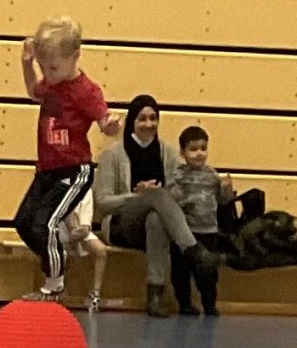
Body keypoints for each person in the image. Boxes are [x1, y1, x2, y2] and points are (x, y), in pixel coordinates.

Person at [12, 17, 122, 297]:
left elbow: (104, 121)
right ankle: (57, 258)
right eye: (43, 67)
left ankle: (54, 284)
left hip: (74, 171)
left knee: (45, 223)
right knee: (24, 223)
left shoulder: (86, 91)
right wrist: (27, 65)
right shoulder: (52, 84)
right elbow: (33, 92)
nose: (47, 74)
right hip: (47, 170)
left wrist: (111, 125)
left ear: (75, 56)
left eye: (53, 67)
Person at [93, 95, 201, 318]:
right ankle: (192, 249)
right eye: (142, 118)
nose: (149, 124)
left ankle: (155, 296)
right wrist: (136, 196)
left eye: (153, 118)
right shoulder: (112, 154)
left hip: (157, 226)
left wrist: (161, 194)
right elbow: (102, 201)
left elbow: (180, 193)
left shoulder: (168, 153)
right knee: (156, 196)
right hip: (122, 224)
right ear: (132, 121)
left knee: (156, 219)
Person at [164, 125, 234, 316]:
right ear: (182, 152)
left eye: (203, 148)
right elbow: (169, 203)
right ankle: (184, 303)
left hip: (208, 230)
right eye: (193, 149)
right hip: (185, 233)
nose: (199, 153)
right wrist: (174, 196)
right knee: (181, 271)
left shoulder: (212, 175)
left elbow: (222, 202)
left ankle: (210, 303)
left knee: (208, 271)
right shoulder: (177, 175)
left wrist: (227, 190)